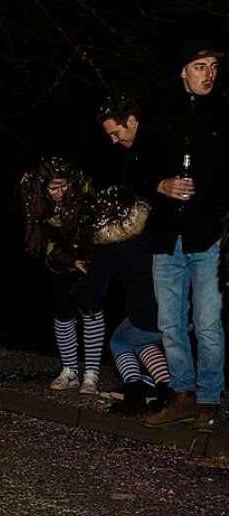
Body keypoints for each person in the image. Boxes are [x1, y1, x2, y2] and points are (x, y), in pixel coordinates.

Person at [140, 39, 225, 432]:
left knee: (208, 324)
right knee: (170, 324)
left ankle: (209, 401)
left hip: (206, 238)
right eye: (200, 66)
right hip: (165, 238)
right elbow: (132, 173)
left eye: (212, 66)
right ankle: (182, 396)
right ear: (183, 72)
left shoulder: (221, 116)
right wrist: (160, 184)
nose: (208, 73)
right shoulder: (160, 115)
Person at [20, 156, 105, 394]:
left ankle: (91, 373)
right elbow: (41, 237)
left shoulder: (84, 193)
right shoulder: (34, 194)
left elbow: (95, 231)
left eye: (63, 186)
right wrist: (66, 259)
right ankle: (69, 369)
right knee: (62, 310)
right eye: (53, 188)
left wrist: (83, 259)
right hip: (57, 256)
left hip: (87, 254)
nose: (59, 192)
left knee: (91, 309)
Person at [86, 187, 171, 415]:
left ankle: (134, 393)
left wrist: (81, 295)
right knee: (143, 342)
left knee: (120, 342)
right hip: (183, 305)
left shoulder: (106, 244)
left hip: (150, 311)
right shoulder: (153, 228)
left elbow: (95, 291)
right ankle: (166, 391)